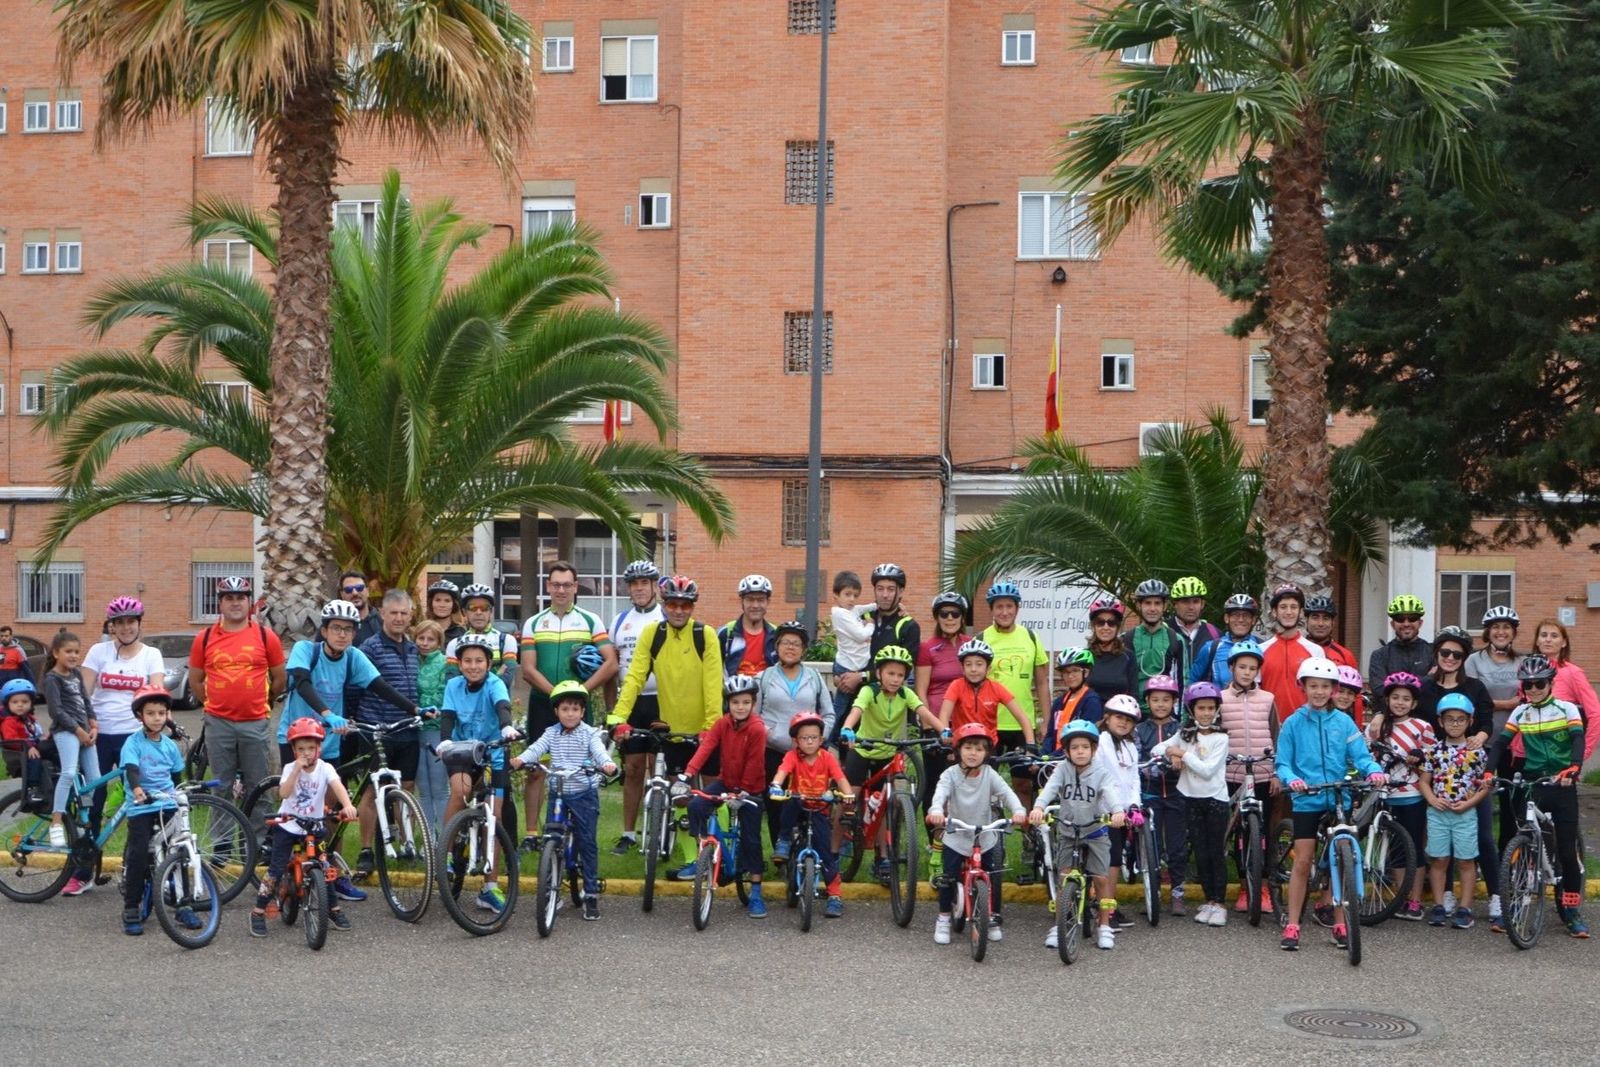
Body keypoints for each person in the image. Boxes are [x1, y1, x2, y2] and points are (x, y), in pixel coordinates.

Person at [279, 599, 425, 903]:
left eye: (348, 629)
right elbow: (302, 683)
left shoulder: (353, 657)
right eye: (336, 628)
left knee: (331, 812)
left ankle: (332, 875)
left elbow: (380, 686)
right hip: (296, 739)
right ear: (324, 630)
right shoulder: (307, 650)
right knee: (298, 808)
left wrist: (415, 709)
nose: (342, 634)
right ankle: (284, 871)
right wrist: (327, 713)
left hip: (329, 743)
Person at [1275, 658, 1387, 952]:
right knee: (1303, 860)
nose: (1319, 692)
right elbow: (1283, 763)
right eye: (1313, 686)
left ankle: (1340, 922)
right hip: (1307, 798)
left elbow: (1361, 756)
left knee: (1342, 858)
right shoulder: (1293, 723)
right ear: (1303, 687)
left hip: (1339, 797)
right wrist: (1292, 779)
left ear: (1334, 690)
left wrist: (1373, 771)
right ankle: (1293, 924)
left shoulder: (1344, 722)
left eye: (1325, 687)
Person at [611, 575, 723, 866]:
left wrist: (711, 726)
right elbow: (634, 678)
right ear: (664, 605)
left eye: (685, 605)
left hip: (707, 729)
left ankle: (722, 855)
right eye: (673, 604)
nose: (679, 610)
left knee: (713, 794)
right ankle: (692, 860)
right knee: (680, 795)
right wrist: (619, 716)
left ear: (692, 607)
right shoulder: (653, 633)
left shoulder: (705, 635)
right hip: (674, 730)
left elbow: (713, 684)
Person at [1487, 654, 1588, 937]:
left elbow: (1577, 739)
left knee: (1566, 851)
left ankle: (1571, 911)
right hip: (1534, 783)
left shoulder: (1566, 708)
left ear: (1550, 683)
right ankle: (1514, 908)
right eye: (1527, 685)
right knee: (1523, 848)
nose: (1533, 689)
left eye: (1539, 684)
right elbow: (1501, 744)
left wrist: (1574, 767)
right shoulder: (1521, 712)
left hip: (1562, 782)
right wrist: (1488, 771)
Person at [517, 562, 616, 850]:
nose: (561, 590)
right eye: (556, 584)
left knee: (582, 770)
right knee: (536, 769)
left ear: (575, 587)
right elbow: (528, 670)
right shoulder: (534, 622)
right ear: (548, 586)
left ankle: (578, 833)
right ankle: (532, 834)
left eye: (567, 584)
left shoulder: (590, 621)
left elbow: (611, 662)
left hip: (577, 707)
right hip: (543, 703)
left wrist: (579, 693)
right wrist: (557, 696)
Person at [511, 680, 617, 921]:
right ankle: (551, 891)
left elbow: (599, 752)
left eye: (575, 709)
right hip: (558, 793)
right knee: (551, 839)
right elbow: (536, 749)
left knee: (587, 842)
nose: (570, 714)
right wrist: (521, 760)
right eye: (565, 709)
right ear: (556, 711)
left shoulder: (589, 734)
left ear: (582, 711)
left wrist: (607, 764)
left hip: (583, 794)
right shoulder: (551, 733)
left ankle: (591, 894)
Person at [248, 716, 358, 938]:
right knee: (276, 869)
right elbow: (284, 793)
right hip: (288, 825)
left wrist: (347, 805)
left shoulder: (325, 768)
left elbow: (337, 786)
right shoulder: (290, 768)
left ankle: (333, 909)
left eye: (311, 748)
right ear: (293, 750)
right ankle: (258, 911)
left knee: (325, 868)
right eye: (300, 749)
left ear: (319, 748)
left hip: (313, 827)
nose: (306, 753)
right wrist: (296, 770)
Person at [838, 645, 942, 880]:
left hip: (888, 754)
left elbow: (923, 711)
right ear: (879, 673)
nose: (895, 679)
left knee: (884, 804)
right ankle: (834, 851)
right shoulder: (869, 691)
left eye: (900, 675)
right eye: (890, 673)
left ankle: (882, 858)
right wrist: (847, 728)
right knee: (849, 797)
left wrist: (943, 730)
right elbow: (856, 710)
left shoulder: (906, 694)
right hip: (863, 750)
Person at [188, 576, 285, 812]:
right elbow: (195, 681)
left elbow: (280, 678)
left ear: (249, 602)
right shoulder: (204, 638)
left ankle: (258, 835)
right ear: (220, 603)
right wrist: (214, 703)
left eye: (240, 597)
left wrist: (263, 700)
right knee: (221, 787)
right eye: (229, 598)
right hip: (218, 723)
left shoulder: (266, 636)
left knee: (258, 787)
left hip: (255, 722)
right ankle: (222, 837)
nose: (235, 603)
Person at [437, 634, 519, 914]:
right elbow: (447, 716)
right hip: (462, 749)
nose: (473, 666)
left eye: (479, 661)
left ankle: (490, 888)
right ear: (459, 664)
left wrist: (507, 726)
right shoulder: (453, 686)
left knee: (493, 817)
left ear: (489, 663)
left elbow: (502, 706)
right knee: (460, 791)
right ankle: (447, 854)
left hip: (493, 750)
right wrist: (445, 740)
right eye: (468, 661)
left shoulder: (495, 683)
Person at [1031, 721, 1128, 951]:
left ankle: (1104, 925)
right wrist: (1038, 808)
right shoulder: (1062, 770)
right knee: (1064, 877)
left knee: (1101, 878)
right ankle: (1060, 925)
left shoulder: (1101, 773)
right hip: (1068, 831)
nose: (1080, 751)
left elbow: (1110, 793)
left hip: (1095, 831)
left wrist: (1117, 811)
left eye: (1085, 747)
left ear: (1094, 750)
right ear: (1066, 751)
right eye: (1075, 747)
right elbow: (1050, 789)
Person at [927, 723, 1026, 945]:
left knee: (991, 877)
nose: (973, 753)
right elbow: (940, 794)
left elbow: (1007, 793)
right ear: (958, 750)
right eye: (968, 747)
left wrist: (1018, 811)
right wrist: (936, 810)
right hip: (957, 835)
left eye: (979, 749)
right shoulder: (950, 774)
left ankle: (991, 917)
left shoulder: (990, 775)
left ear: (987, 753)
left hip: (984, 836)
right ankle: (944, 918)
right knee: (948, 877)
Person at [678, 674, 769, 917]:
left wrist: (743, 792)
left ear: (753, 703)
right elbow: (706, 747)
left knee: (751, 840)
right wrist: (687, 774)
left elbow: (755, 763)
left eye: (746, 702)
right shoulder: (722, 724)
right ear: (727, 703)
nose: (740, 707)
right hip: (726, 781)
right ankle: (702, 856)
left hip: (751, 788)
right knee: (696, 806)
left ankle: (756, 893)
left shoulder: (757, 728)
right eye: (735, 702)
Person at [83, 597, 166, 860]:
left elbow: (157, 694)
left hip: (133, 737)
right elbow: (83, 694)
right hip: (98, 736)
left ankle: (138, 865)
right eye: (120, 622)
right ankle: (85, 866)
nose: (126, 627)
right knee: (92, 802)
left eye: (131, 621)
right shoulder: (98, 651)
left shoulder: (151, 655)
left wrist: (163, 722)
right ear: (112, 626)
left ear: (139, 623)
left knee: (139, 802)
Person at [352, 589, 424, 883]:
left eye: (404, 613)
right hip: (376, 730)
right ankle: (366, 849)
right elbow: (356, 687)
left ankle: (407, 844)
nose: (398, 618)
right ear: (382, 613)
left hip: (408, 730)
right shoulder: (368, 648)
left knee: (406, 787)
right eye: (393, 613)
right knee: (373, 791)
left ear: (411, 616)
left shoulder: (414, 648)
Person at [1151, 683, 1230, 927]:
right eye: (1201, 708)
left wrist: (1183, 754)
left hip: (1215, 799)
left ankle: (1220, 903)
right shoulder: (1185, 734)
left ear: (1217, 710)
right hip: (1190, 798)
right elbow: (1157, 749)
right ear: (1191, 710)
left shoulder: (1221, 738)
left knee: (1215, 851)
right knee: (1200, 852)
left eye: (1210, 708)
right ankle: (1209, 900)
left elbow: (1207, 770)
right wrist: (1172, 752)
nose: (1205, 713)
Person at [117, 687, 192, 935]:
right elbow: (131, 770)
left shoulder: (169, 746)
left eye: (161, 713)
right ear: (140, 716)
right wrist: (137, 788)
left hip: (166, 803)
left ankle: (183, 904)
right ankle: (131, 906)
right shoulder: (133, 743)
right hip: (142, 805)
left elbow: (176, 776)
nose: (157, 718)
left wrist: (180, 795)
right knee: (138, 854)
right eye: (151, 713)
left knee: (178, 852)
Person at [1418, 694, 1494, 929]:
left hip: (1465, 814)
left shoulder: (1477, 752)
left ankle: (1465, 908)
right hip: (1438, 813)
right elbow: (1424, 781)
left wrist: (1470, 804)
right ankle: (1439, 905)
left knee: (1466, 860)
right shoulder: (1433, 751)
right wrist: (1432, 799)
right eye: (1449, 719)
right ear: (1440, 721)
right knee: (1439, 859)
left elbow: (1485, 785)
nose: (1455, 724)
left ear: (1470, 721)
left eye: (1460, 719)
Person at [753, 621, 831, 847]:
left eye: (796, 643)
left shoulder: (814, 677)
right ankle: (781, 849)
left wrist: (818, 739)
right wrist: (768, 734)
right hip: (774, 752)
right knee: (776, 805)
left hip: (809, 755)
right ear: (776, 646)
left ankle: (810, 851)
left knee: (811, 804)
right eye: (785, 642)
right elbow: (754, 716)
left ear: (803, 649)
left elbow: (828, 713)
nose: (790, 647)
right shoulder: (764, 677)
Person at [606, 559, 665, 855]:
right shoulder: (619, 621)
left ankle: (660, 831)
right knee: (632, 769)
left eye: (645, 583)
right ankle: (628, 833)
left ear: (654, 586)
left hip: (662, 701)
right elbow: (611, 668)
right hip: (630, 703)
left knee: (659, 770)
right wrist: (612, 711)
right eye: (634, 584)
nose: (639, 589)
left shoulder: (666, 616)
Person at [770, 711, 853, 919]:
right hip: (798, 806)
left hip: (819, 808)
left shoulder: (827, 758)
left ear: (821, 739)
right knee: (790, 802)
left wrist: (848, 794)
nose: (809, 742)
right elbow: (782, 772)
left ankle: (834, 895)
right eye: (804, 738)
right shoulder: (792, 756)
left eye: (813, 737)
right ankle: (784, 839)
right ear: (795, 741)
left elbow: (840, 778)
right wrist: (776, 785)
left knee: (826, 852)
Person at [1366, 671, 1435, 921]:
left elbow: (1433, 759)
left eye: (1406, 699)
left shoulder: (1422, 727)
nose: (1400, 703)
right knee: (1396, 849)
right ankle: (1400, 896)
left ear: (1414, 703)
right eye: (1395, 697)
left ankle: (1415, 900)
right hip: (1385, 795)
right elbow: (1366, 755)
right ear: (1387, 700)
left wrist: (1421, 757)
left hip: (1412, 794)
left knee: (1413, 847)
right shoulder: (1377, 727)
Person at [1217, 641, 1278, 914]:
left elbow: (1277, 736)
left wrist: (1276, 773)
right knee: (1239, 835)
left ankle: (1262, 888)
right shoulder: (1220, 698)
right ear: (1231, 667)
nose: (1246, 672)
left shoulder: (1268, 699)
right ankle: (1244, 887)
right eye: (1242, 667)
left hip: (1263, 775)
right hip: (1232, 775)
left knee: (1262, 833)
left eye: (1252, 668)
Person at [43, 631, 99, 894]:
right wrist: (78, 731)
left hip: (85, 732)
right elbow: (56, 711)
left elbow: (86, 701)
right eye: (69, 651)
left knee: (95, 779)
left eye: (77, 651)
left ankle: (80, 817)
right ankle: (56, 821)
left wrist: (93, 725)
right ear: (56, 653)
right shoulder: (52, 678)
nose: (74, 656)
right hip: (66, 732)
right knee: (68, 772)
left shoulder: (76, 674)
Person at [1136, 675, 1189, 916]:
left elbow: (1189, 754)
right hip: (1150, 795)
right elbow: (1136, 759)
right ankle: (1153, 891)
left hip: (1177, 792)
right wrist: (1151, 767)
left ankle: (1177, 892)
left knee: (1177, 846)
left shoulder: (1181, 729)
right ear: (1147, 701)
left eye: (1166, 700)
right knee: (1152, 845)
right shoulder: (1139, 730)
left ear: (1174, 702)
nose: (1160, 704)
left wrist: (1178, 757)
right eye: (1155, 699)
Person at [1094, 693, 1143, 929]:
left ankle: (1108, 904)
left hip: (1122, 813)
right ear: (1107, 718)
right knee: (1108, 862)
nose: (1123, 722)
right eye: (1119, 717)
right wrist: (1112, 807)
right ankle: (1105, 909)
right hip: (1103, 812)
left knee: (1114, 860)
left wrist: (1134, 805)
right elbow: (1100, 778)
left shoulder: (1130, 746)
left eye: (1129, 720)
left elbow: (1134, 779)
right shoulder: (1100, 742)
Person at [937, 639, 1032, 745]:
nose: (973, 669)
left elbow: (1021, 717)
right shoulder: (956, 685)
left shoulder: (996, 688)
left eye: (979, 664)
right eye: (968, 664)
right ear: (963, 668)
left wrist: (1031, 743)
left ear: (988, 668)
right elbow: (944, 714)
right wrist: (946, 734)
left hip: (988, 746)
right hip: (962, 745)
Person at [1534, 618, 1600, 759]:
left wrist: (1583, 752)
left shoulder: (1573, 673)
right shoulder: (1529, 671)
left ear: (1564, 642)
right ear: (1537, 641)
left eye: (1554, 636)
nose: (1548, 640)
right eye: (1544, 635)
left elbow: (1595, 714)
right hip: (1530, 754)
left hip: (1561, 754)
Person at [1258, 584, 1324, 722]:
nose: (1288, 612)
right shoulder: (1260, 650)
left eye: (1293, 607)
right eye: (1283, 607)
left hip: (1305, 725)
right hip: (1269, 726)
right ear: (1274, 612)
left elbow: (1322, 692)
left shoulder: (1315, 651)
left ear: (1301, 612)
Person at [412, 620, 449, 834]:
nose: (425, 643)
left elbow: (444, 693)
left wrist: (424, 707)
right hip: (415, 730)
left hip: (436, 728)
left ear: (438, 642)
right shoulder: (412, 661)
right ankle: (428, 839)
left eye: (430, 639)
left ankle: (444, 837)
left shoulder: (444, 663)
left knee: (439, 788)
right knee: (423, 790)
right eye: (421, 638)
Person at [446, 584, 519, 686]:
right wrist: (496, 677)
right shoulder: (454, 644)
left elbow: (506, 680)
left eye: (484, 608)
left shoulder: (506, 640)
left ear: (491, 612)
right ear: (464, 612)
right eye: (472, 608)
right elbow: (453, 682)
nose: (478, 612)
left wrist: (470, 683)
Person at [1304, 595, 1361, 724]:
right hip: (1302, 719)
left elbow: (1355, 695)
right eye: (1315, 617)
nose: (1320, 623)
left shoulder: (1345, 655)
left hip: (1334, 724)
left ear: (1333, 623)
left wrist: (1356, 726)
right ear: (1306, 620)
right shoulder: (1298, 650)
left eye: (1326, 618)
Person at [832, 572, 876, 737]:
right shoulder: (840, 614)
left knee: (852, 708)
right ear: (836, 595)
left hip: (855, 666)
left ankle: (839, 738)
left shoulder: (850, 610)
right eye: (847, 594)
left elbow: (863, 608)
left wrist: (877, 606)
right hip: (847, 667)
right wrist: (870, 624)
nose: (851, 599)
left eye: (855, 595)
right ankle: (827, 739)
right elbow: (861, 635)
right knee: (840, 709)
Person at [1124, 579, 1182, 701]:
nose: (1152, 608)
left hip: (1164, 707)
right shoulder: (1127, 638)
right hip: (1134, 707)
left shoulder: (1176, 639)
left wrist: (1181, 711)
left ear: (1164, 606)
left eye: (1157, 603)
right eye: (1147, 603)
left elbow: (1183, 679)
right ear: (1139, 605)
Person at [1, 679, 53, 812]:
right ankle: (33, 789)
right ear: (7, 704)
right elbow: (11, 739)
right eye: (15, 702)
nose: (20, 705)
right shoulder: (9, 721)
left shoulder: (29, 719)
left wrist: (45, 738)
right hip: (20, 752)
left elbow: (36, 734)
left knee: (51, 749)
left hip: (31, 747)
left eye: (24, 702)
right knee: (35, 758)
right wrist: (28, 746)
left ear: (31, 703)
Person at [916, 591, 968, 718]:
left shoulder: (970, 644)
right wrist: (927, 723)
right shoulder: (927, 648)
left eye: (955, 614)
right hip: (936, 718)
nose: (950, 618)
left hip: (966, 718)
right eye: (944, 614)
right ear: (937, 618)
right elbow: (921, 691)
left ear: (962, 618)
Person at [1191, 594, 1261, 689]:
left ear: (1253, 620)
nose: (1241, 620)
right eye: (1235, 615)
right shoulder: (1211, 648)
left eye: (1246, 615)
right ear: (1226, 618)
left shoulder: (1262, 647)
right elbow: (1192, 683)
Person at [718, 574, 778, 678]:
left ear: (768, 602)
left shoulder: (777, 634)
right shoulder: (725, 634)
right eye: (750, 599)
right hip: (733, 688)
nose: (755, 605)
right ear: (741, 601)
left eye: (761, 600)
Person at [1368, 594, 1433, 685]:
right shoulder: (1379, 656)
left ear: (1420, 623)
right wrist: (1428, 678)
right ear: (1392, 624)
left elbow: (1438, 687)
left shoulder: (1433, 653)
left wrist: (1393, 684)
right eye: (1400, 619)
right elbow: (1379, 689)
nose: (1406, 624)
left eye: (1412, 618)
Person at [1167, 576, 1220, 686]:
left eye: (1195, 601)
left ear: (1202, 604)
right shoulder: (1164, 631)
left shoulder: (1214, 633)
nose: (1191, 607)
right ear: (1175, 604)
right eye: (1185, 601)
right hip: (1171, 694)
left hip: (1205, 695)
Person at [1044, 648, 1103, 747]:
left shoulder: (1091, 701)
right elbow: (1050, 734)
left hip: (1075, 752)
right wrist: (1044, 752)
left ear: (1086, 672)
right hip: (1055, 754)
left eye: (1075, 670)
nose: (1070, 676)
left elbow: (1086, 736)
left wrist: (1057, 754)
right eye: (1066, 672)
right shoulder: (1059, 702)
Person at [1084, 597, 1137, 704]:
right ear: (1093, 626)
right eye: (1100, 622)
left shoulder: (1128, 657)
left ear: (1118, 627)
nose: (1106, 627)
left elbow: (1134, 695)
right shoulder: (1085, 656)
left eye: (1111, 623)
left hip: (1119, 712)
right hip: (1091, 713)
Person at [338, 571, 383, 646]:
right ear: (342, 594)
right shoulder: (333, 625)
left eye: (359, 588)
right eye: (348, 589)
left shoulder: (383, 621)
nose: (355, 593)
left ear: (368, 591)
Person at [423, 579, 466, 644]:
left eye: (447, 601)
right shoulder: (422, 630)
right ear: (431, 603)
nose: (442, 605)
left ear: (454, 605)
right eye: (438, 600)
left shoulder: (462, 633)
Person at [0, 624, 36, 688]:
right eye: (1, 636)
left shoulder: (18, 650)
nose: (3, 638)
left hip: (13, 686)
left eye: (6, 636)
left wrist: (33, 686)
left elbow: (27, 670)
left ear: (11, 637)